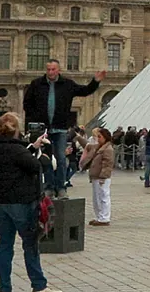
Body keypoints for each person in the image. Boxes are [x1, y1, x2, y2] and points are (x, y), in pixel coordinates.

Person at [0, 112, 63, 292]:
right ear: (17, 129)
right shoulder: (17, 150)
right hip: (20, 203)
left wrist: (33, 147)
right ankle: (39, 286)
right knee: (30, 244)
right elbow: (37, 167)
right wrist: (47, 152)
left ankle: (5, 290)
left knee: (5, 245)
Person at [21, 60, 105, 199]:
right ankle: (49, 187)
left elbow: (85, 91)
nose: (50, 72)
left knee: (60, 158)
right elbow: (26, 103)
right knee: (46, 159)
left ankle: (61, 188)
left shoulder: (67, 84)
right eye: (48, 69)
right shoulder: (36, 84)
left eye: (53, 69)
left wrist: (95, 81)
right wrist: (35, 119)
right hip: (44, 129)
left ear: (58, 70)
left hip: (60, 128)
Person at [79, 127, 115, 226]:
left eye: (100, 137)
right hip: (96, 176)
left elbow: (107, 165)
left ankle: (104, 218)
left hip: (102, 177)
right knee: (97, 198)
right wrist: (78, 137)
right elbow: (87, 145)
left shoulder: (108, 149)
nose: (98, 139)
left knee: (103, 197)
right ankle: (99, 216)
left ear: (105, 137)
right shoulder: (98, 147)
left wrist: (103, 177)